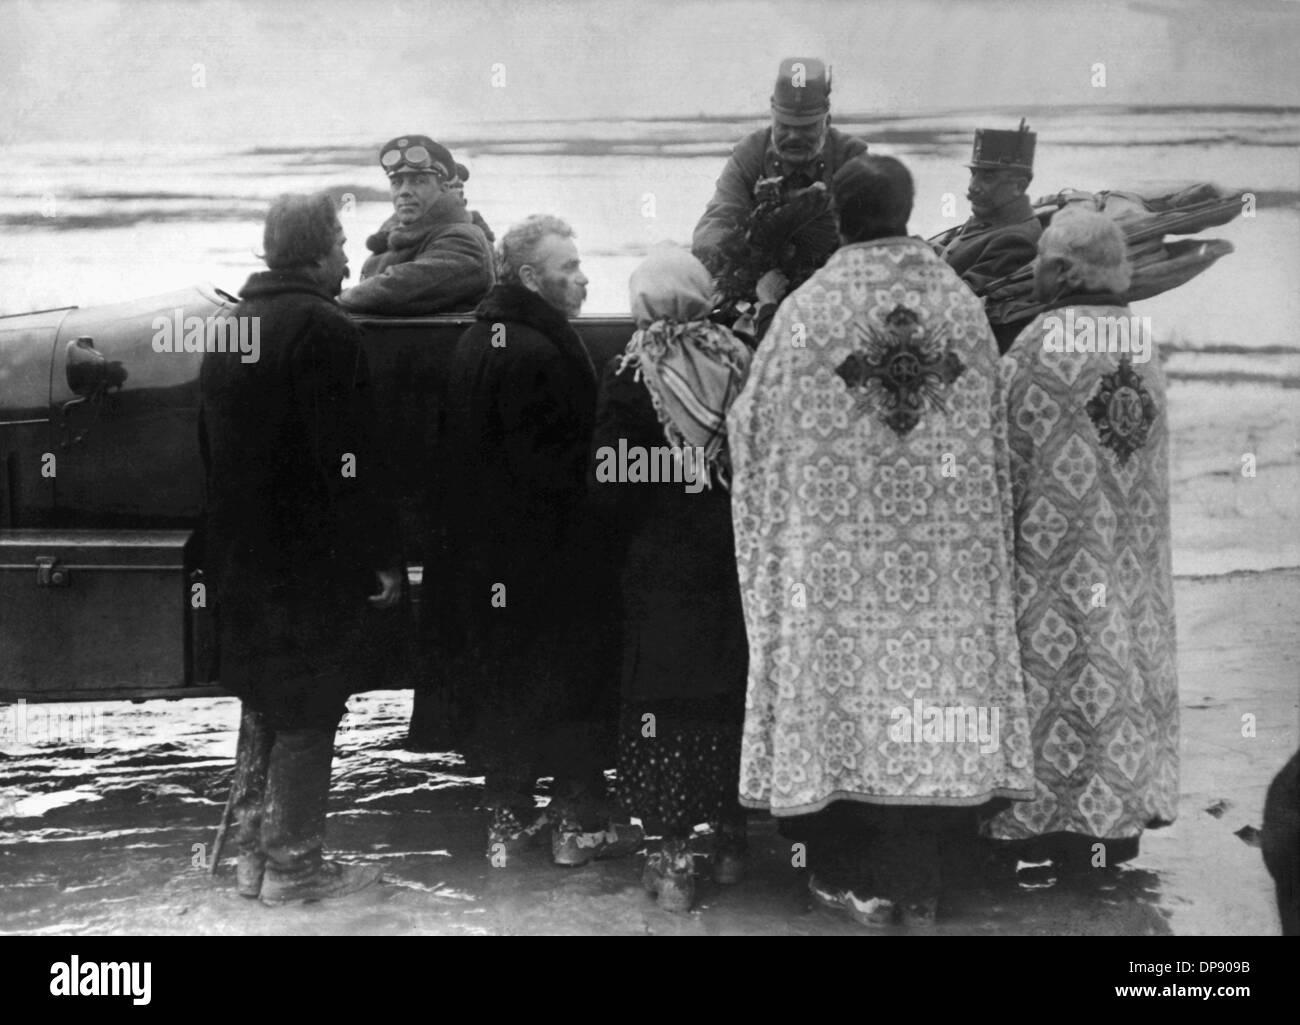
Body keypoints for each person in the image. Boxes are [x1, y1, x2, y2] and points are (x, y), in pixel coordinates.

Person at [726, 155, 1035, 927]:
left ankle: (851, 873)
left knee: (849, 701)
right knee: (934, 697)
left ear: (837, 214)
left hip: (839, 565)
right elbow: (994, 439)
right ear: (908, 208)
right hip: (943, 559)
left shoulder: (806, 311)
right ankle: (928, 875)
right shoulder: (959, 306)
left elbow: (753, 430)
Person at [199, 192, 403, 905]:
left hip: (241, 557)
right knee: (311, 708)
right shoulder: (324, 328)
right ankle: (293, 865)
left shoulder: (231, 327)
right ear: (315, 251)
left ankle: (251, 857)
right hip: (307, 560)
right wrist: (380, 553)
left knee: (263, 699)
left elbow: (212, 450)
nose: (351, 256)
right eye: (342, 242)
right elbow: (348, 458)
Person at [984, 209, 1180, 873]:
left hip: (1054, 560)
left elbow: (998, 462)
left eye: (1041, 259)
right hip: (1131, 552)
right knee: (1124, 668)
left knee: (1060, 679)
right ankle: (1118, 824)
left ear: (1064, 270)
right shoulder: (1141, 341)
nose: (1033, 269)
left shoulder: (1039, 344)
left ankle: (1049, 827)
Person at [442, 214, 635, 867]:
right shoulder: (541, 352)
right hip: (544, 559)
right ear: (531, 277)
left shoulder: (481, 338)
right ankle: (576, 822)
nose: (583, 278)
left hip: (488, 558)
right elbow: (552, 476)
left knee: (507, 686)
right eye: (569, 268)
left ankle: (507, 818)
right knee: (566, 681)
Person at [589, 244, 753, 912]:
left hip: (659, 564)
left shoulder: (632, 371)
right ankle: (734, 839)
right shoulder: (739, 359)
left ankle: (672, 856)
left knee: (659, 701)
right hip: (731, 556)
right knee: (726, 691)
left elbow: (610, 482)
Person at [691, 58, 867, 275]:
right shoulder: (750, 152)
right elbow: (718, 219)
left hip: (834, 272)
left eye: (807, 127)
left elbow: (872, 228)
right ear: (772, 120)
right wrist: (735, 253)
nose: (794, 136)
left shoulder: (851, 156)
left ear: (827, 123)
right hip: (762, 275)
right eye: (784, 126)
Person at [338, 134, 495, 315]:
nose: (404, 191)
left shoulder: (462, 239)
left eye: (418, 181)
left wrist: (337, 300)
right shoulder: (393, 236)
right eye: (397, 182)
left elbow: (398, 288)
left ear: (443, 187)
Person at [937, 121, 1043, 352]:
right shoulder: (991, 217)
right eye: (973, 175)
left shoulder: (1015, 240)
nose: (972, 187)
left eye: (987, 178)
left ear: (1019, 186)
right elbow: (951, 250)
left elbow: (961, 299)